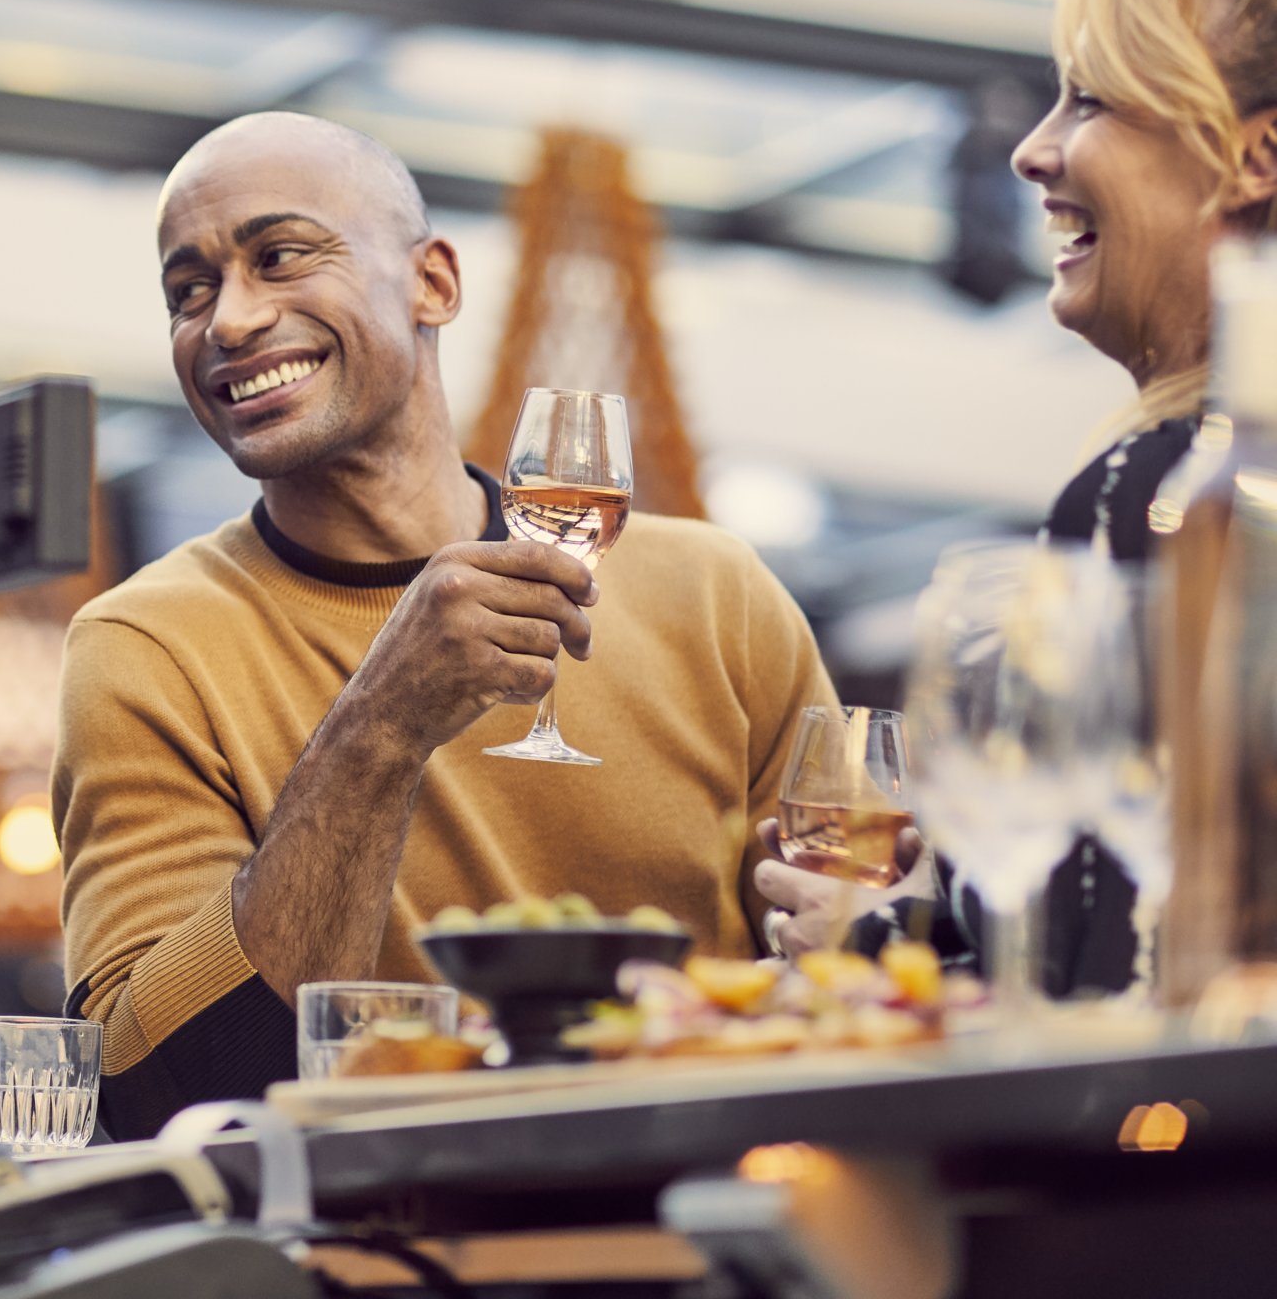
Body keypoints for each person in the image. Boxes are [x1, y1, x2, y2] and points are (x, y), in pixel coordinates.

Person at [52, 113, 840, 1136]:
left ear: (434, 282)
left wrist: (861, 933)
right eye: (187, 291)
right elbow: (153, 1094)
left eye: (280, 256)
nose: (230, 320)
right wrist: (381, 723)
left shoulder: (716, 590)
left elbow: (865, 954)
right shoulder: (145, 648)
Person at [1002, 0, 1277, 994]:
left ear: (1255, 160)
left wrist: (876, 937)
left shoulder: (1164, 496)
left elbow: (1108, 969)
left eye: (1090, 102)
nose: (1034, 150)